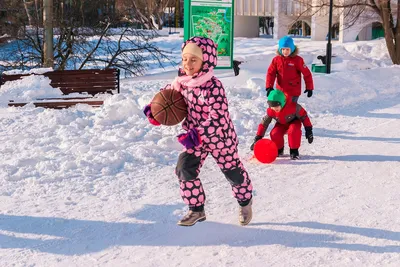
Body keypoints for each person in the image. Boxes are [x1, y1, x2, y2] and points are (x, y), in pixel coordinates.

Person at [143, 36, 253, 227]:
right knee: (184, 168)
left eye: (193, 59)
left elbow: (218, 116)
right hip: (196, 139)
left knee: (233, 173)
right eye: (185, 59)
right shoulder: (181, 82)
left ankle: (245, 203)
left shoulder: (213, 86)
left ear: (206, 60)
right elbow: (166, 99)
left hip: (220, 138)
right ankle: (196, 210)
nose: (188, 64)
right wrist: (155, 112)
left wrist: (197, 134)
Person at [250, 89, 314, 160]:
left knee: (293, 131)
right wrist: (258, 137)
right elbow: (264, 123)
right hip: (281, 123)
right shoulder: (271, 111)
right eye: (272, 106)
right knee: (274, 133)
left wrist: (309, 130)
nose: (274, 108)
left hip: (294, 122)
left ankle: (294, 151)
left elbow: (304, 116)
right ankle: (279, 149)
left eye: (276, 106)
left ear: (282, 103)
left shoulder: (293, 107)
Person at [265, 36, 314, 103]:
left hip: (293, 91)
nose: (285, 52)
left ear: (292, 49)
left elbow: (307, 74)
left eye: (287, 49)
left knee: (290, 109)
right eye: (283, 49)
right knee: (281, 109)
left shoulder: (298, 60)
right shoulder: (276, 60)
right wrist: (269, 87)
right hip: (280, 90)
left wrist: (309, 87)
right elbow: (271, 73)